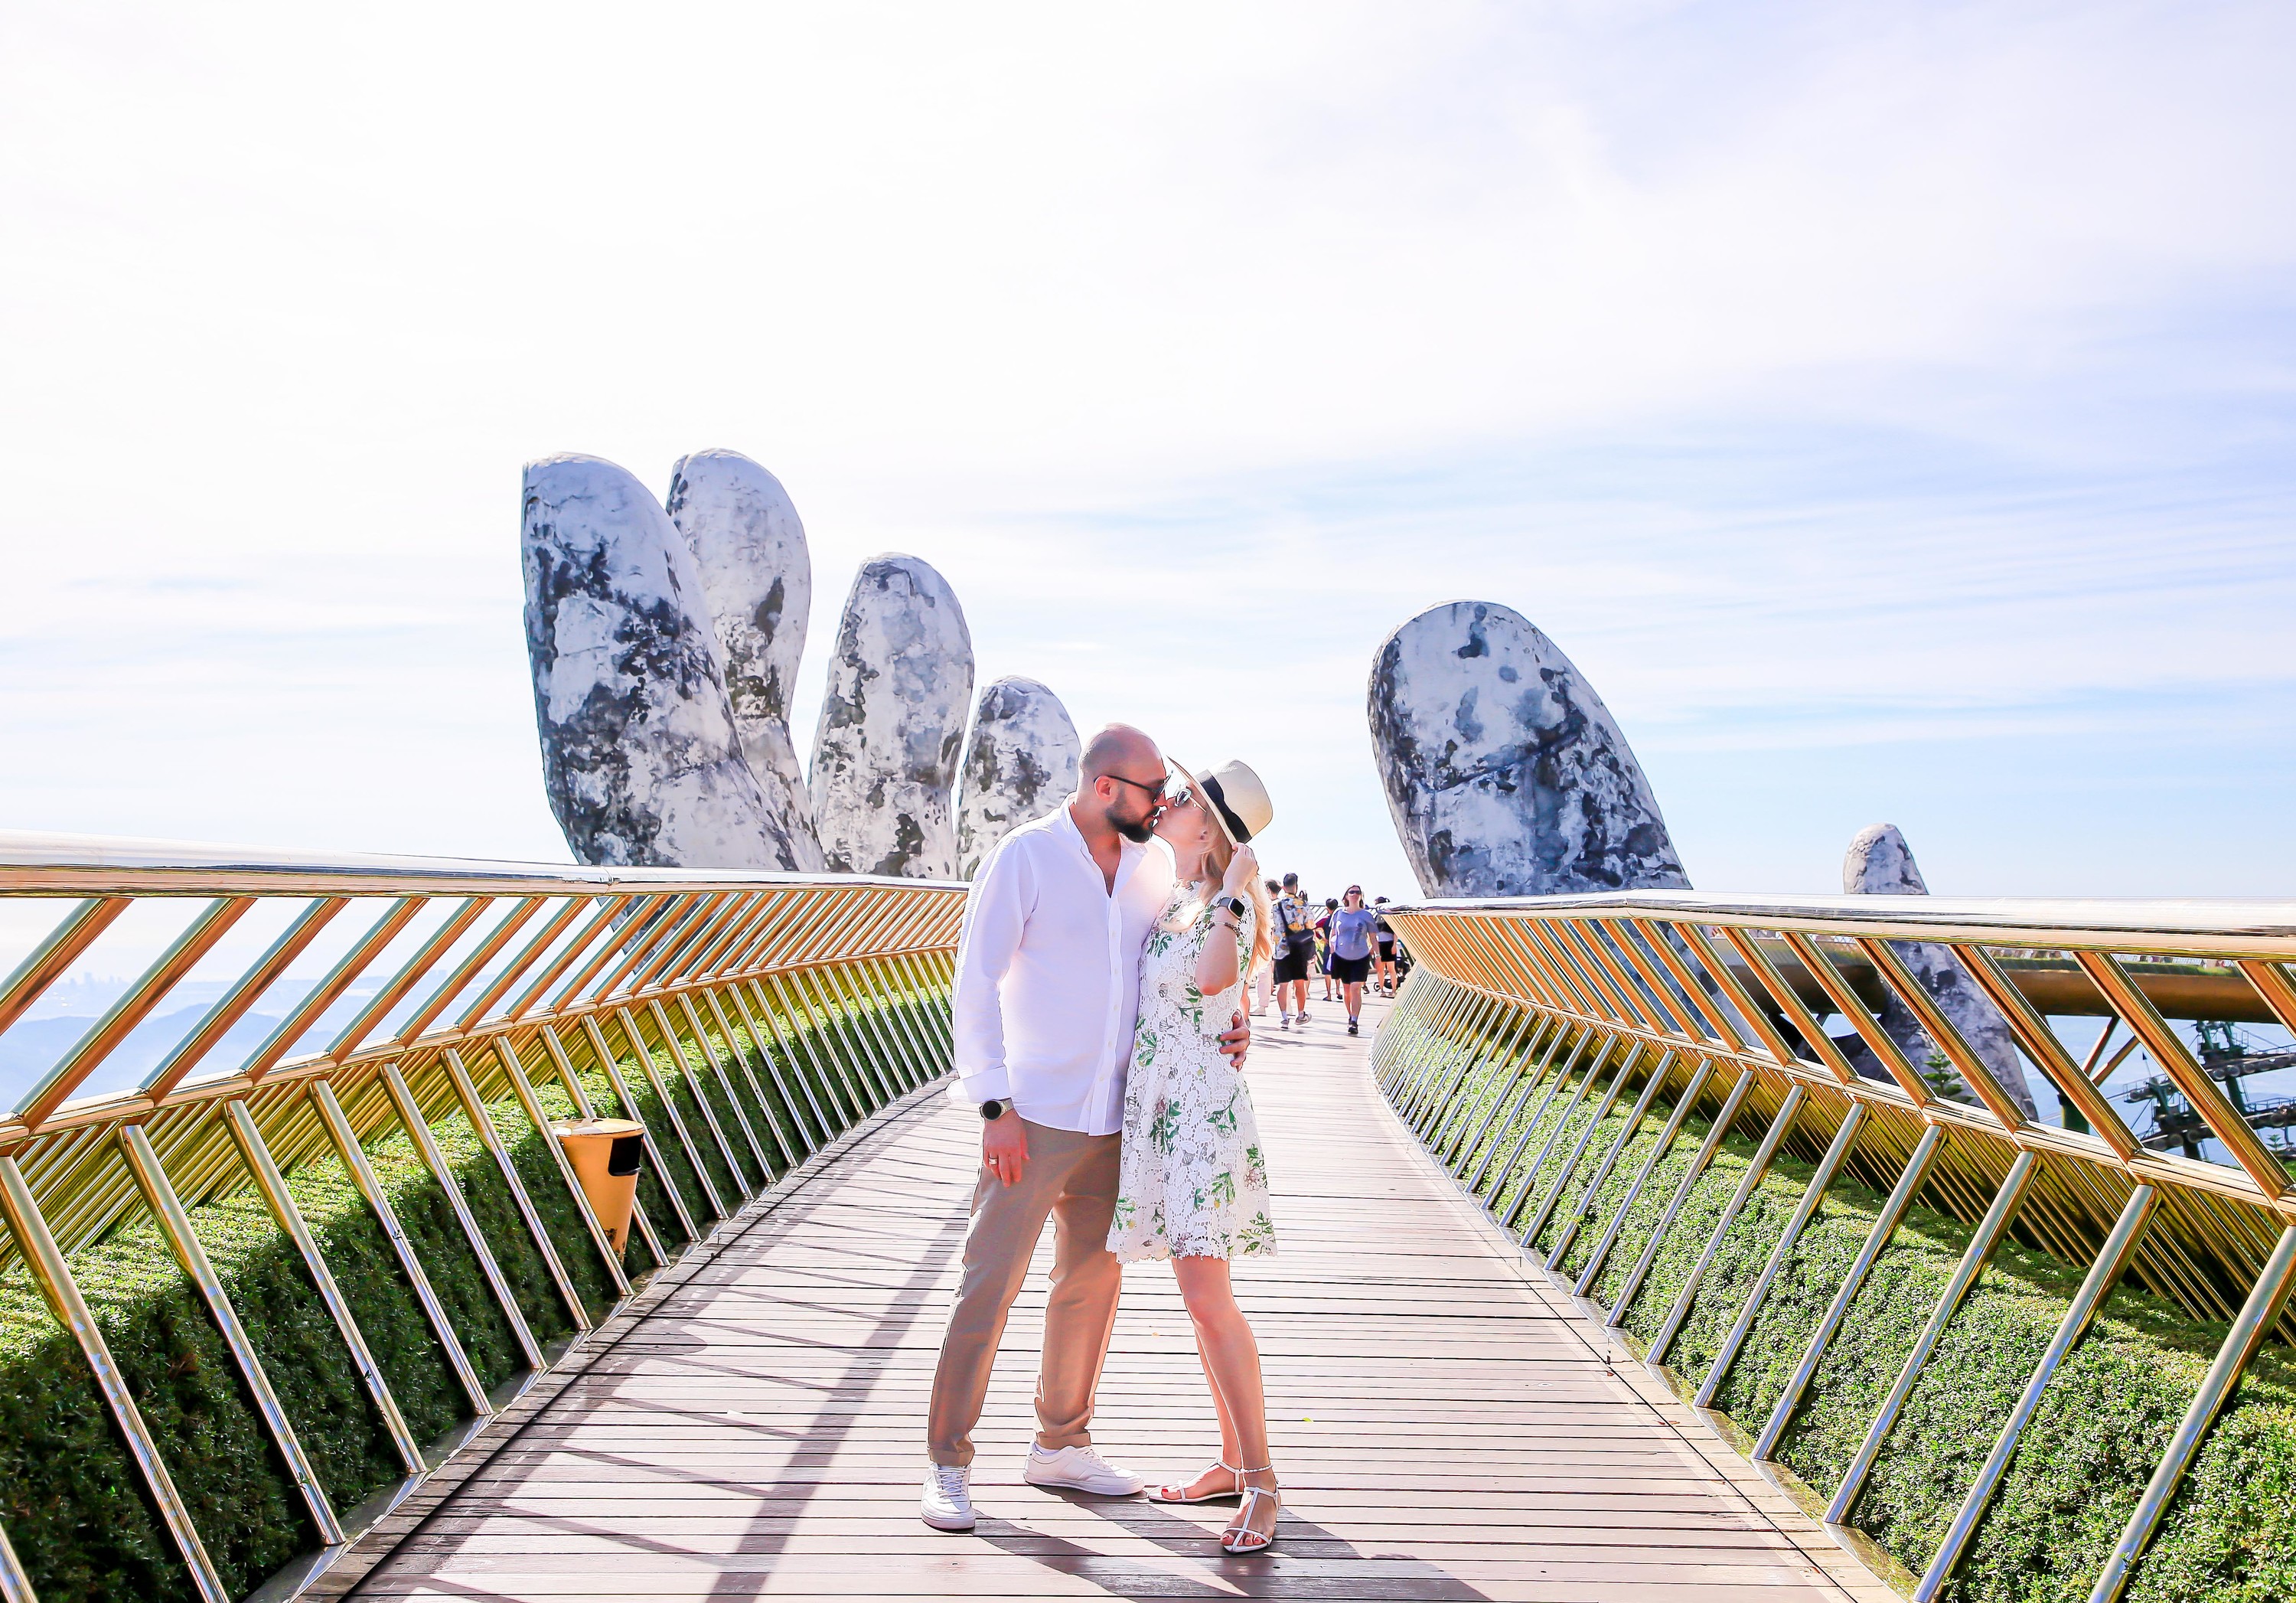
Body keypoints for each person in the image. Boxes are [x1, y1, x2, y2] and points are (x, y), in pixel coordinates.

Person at [922, 725, 1251, 1533]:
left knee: (1089, 1291)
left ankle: (1061, 1446)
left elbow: (1174, 972)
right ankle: (946, 1464)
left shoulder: (1154, 866)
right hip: (1030, 1117)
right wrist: (993, 1106)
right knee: (987, 1289)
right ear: (1106, 787)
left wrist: (1230, 1020)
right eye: (1155, 793)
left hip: (1118, 1120)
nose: (1167, 805)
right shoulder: (1024, 858)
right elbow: (975, 983)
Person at [1110, 759, 1284, 1553]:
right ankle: (1231, 1460)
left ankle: (1263, 1481)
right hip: (1167, 1109)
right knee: (1199, 1301)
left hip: (1199, 1123)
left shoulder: (1222, 907)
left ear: (1210, 829)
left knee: (1211, 1301)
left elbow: (1217, 979)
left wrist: (1234, 886)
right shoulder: (1176, 898)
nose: (1169, 802)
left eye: (1184, 799)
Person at [1327, 886, 1380, 1035]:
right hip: (1341, 956)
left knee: (1355, 987)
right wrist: (1332, 950)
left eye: (1358, 892)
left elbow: (1373, 938)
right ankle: (1350, 1015)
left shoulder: (1366, 915)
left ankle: (1355, 1020)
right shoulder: (1338, 913)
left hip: (1361, 956)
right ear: (1346, 896)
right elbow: (1333, 933)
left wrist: (1378, 956)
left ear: (1361, 896)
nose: (1355, 895)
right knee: (1347, 991)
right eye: (1352, 892)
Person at [1270, 873, 1316, 1027]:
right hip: (1298, 950)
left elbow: (1271, 926)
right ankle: (1301, 1014)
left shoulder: (1276, 905)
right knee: (1299, 983)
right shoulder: (1302, 904)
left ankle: (1284, 1018)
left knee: (1282, 985)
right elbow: (1310, 925)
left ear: (1283, 887)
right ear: (1295, 886)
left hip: (1281, 949)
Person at [1248, 877, 1280, 1016]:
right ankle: (1288, 1008)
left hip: (1267, 942)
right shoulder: (1284, 904)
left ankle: (1262, 1005)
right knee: (1284, 980)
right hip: (1284, 945)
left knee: (1263, 974)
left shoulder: (1269, 906)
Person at [1372, 896, 1398, 996]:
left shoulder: (1389, 916)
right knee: (1380, 969)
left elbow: (1396, 932)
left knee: (1391, 969)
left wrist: (1394, 945)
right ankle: (1382, 990)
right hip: (1380, 944)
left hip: (1389, 943)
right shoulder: (1377, 917)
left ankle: (1394, 990)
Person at [1316, 897, 1339, 1001]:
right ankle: (1338, 990)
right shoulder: (1340, 918)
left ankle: (1329, 994)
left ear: (1327, 908)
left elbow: (1313, 927)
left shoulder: (1325, 920)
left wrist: (1322, 938)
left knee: (1327, 971)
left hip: (1328, 946)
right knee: (1338, 970)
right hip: (1339, 946)